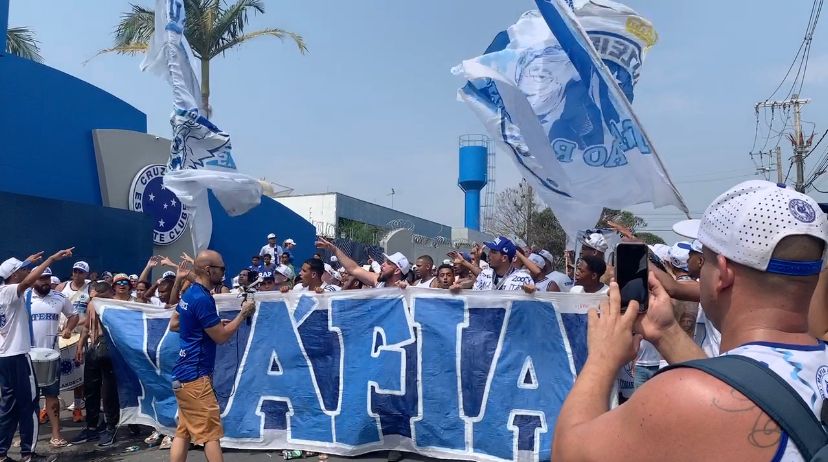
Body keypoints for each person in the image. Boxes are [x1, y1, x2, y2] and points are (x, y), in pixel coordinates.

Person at [553, 180, 828, 461]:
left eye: (705, 262)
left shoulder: (685, 396)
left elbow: (568, 453)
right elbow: (744, 386)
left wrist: (601, 357)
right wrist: (666, 332)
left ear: (722, 273)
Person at [168, 250, 255, 462]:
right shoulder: (202, 298)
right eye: (222, 268)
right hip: (197, 377)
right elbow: (221, 337)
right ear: (209, 269)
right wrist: (242, 315)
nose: (224, 272)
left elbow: (175, 324)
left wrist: (210, 326)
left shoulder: (190, 294)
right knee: (211, 435)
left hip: (183, 374)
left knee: (183, 432)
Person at [0, 247, 73, 462]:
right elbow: (25, 281)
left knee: (8, 406)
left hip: (3, 357)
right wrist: (51, 258)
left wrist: (26, 260)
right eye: (24, 269)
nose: (28, 271)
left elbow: (21, 276)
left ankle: (2, 453)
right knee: (30, 404)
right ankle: (28, 453)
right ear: (14, 275)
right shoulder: (11, 291)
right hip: (19, 356)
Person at [29, 267, 78, 448]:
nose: (45, 282)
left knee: (52, 396)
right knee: (28, 398)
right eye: (41, 278)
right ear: (33, 279)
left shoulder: (59, 298)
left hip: (51, 354)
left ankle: (56, 434)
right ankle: (30, 436)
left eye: (47, 278)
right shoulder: (24, 297)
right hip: (28, 356)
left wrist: (68, 328)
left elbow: (73, 316)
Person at [71, 281, 121, 447]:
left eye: (98, 297)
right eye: (93, 298)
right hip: (94, 347)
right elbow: (86, 326)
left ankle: (110, 426)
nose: (94, 301)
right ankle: (91, 427)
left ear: (109, 294)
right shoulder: (92, 304)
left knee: (108, 392)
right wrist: (80, 345)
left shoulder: (116, 305)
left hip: (111, 349)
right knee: (90, 389)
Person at [56, 260, 91, 422]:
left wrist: (75, 324)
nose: (77, 274)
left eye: (81, 272)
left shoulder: (90, 289)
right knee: (54, 373)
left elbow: (92, 312)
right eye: (75, 271)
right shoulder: (62, 287)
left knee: (78, 373)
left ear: (86, 274)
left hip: (78, 335)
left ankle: (77, 406)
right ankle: (48, 408)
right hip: (61, 335)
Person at [316, 237, 409, 288]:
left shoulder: (406, 290)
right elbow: (354, 269)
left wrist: (405, 290)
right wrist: (334, 249)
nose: (382, 265)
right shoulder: (378, 282)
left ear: (397, 271)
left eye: (388, 263)